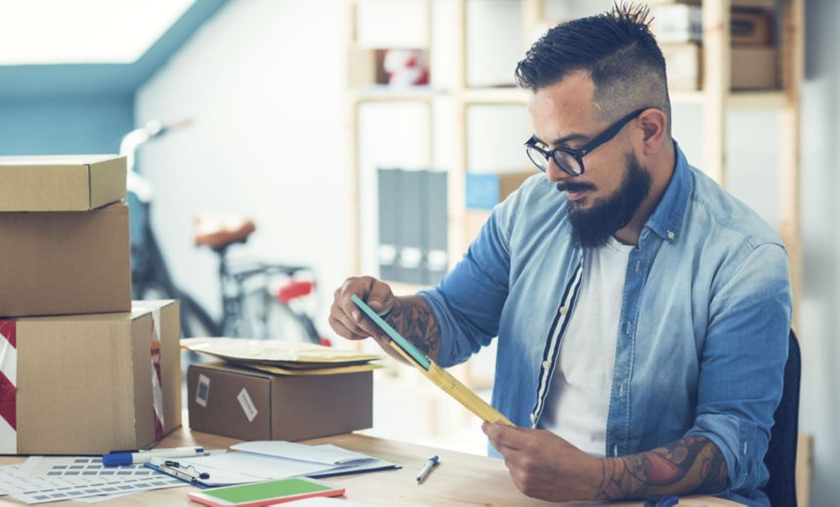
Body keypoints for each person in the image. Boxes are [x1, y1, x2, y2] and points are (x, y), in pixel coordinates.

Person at [329, 3, 791, 505]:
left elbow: (732, 446)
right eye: (544, 148)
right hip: (524, 496)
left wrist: (596, 478)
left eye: (571, 149)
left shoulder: (744, 258)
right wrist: (386, 314)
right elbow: (452, 320)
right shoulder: (533, 207)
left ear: (649, 130)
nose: (552, 173)